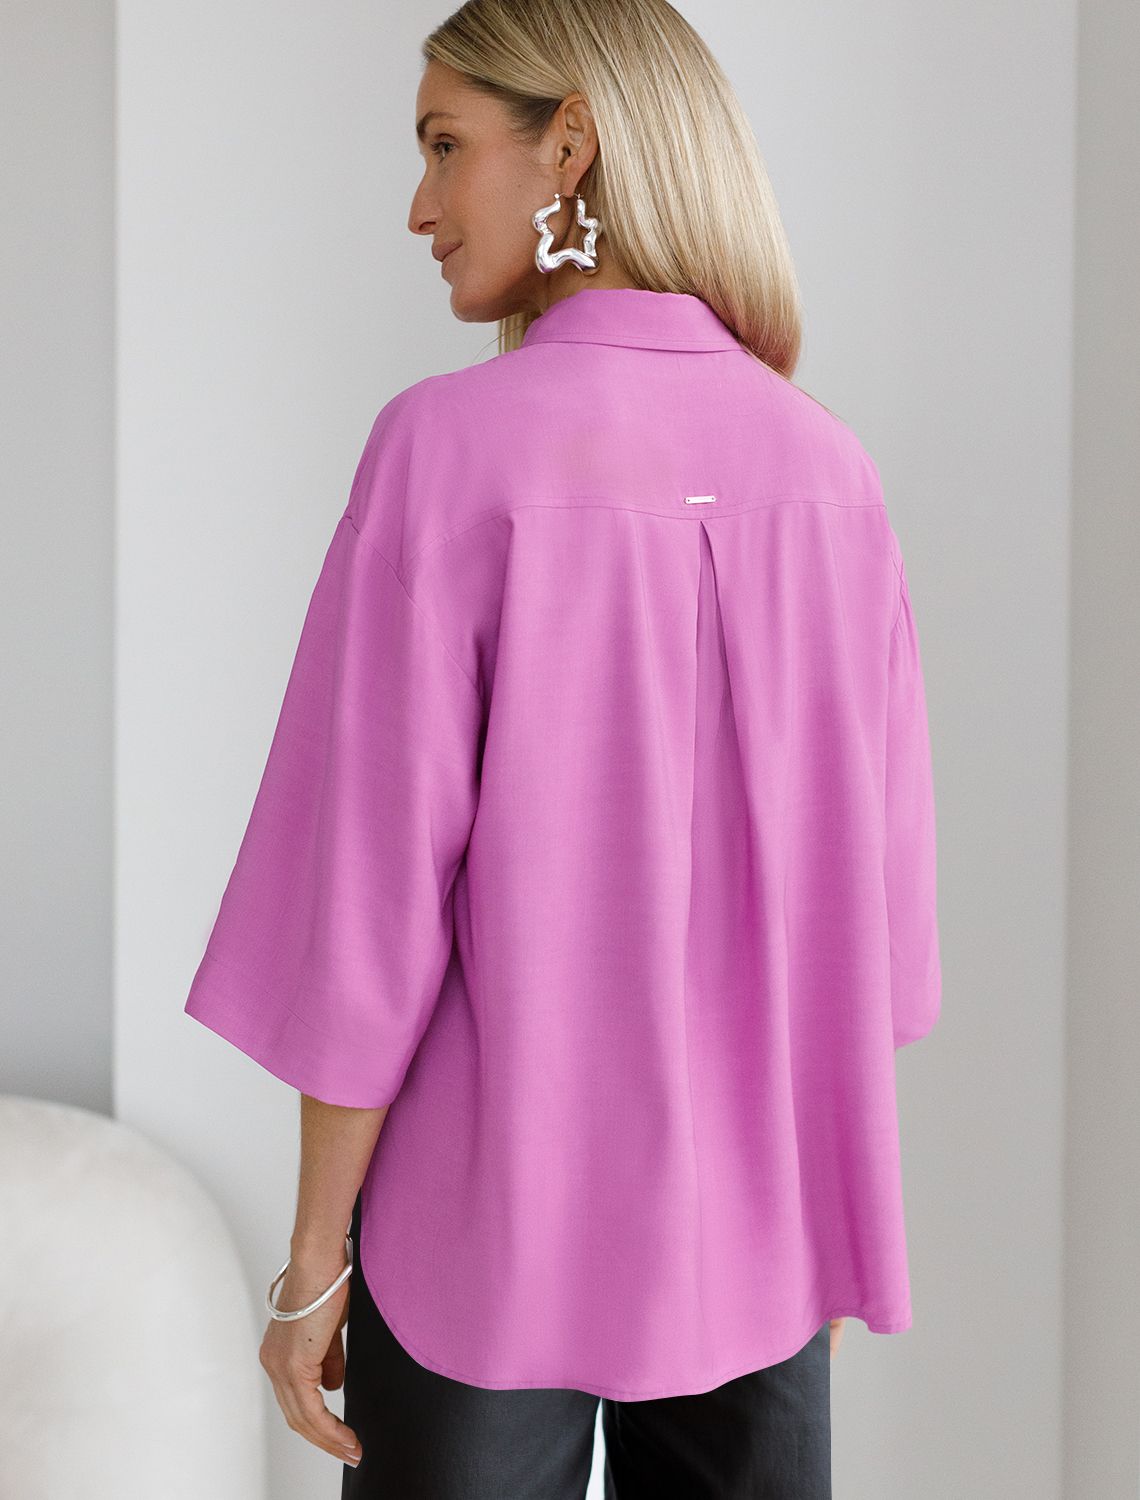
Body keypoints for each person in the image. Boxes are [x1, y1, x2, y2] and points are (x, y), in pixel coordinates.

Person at [183, 0, 942, 1495]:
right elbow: (881, 931)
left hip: (481, 1236)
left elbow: (367, 912)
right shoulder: (828, 471)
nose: (419, 207)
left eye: (445, 145)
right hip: (760, 1234)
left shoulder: (445, 450)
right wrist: (829, 1218)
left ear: (571, 146)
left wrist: (313, 1261)